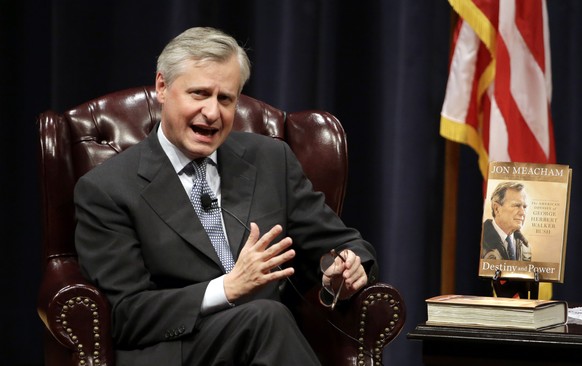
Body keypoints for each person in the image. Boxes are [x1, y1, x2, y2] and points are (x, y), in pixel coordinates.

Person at [74, 27, 378, 366]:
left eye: (225, 99)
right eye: (199, 94)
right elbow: (127, 315)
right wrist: (226, 289)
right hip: (176, 349)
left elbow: (341, 243)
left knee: (268, 318)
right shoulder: (108, 189)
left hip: (268, 340)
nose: (213, 113)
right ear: (162, 87)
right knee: (267, 318)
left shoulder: (271, 160)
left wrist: (347, 266)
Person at [481, 181, 532, 261]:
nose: (522, 213)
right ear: (496, 209)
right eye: (516, 205)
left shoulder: (525, 247)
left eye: (524, 207)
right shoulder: (481, 242)